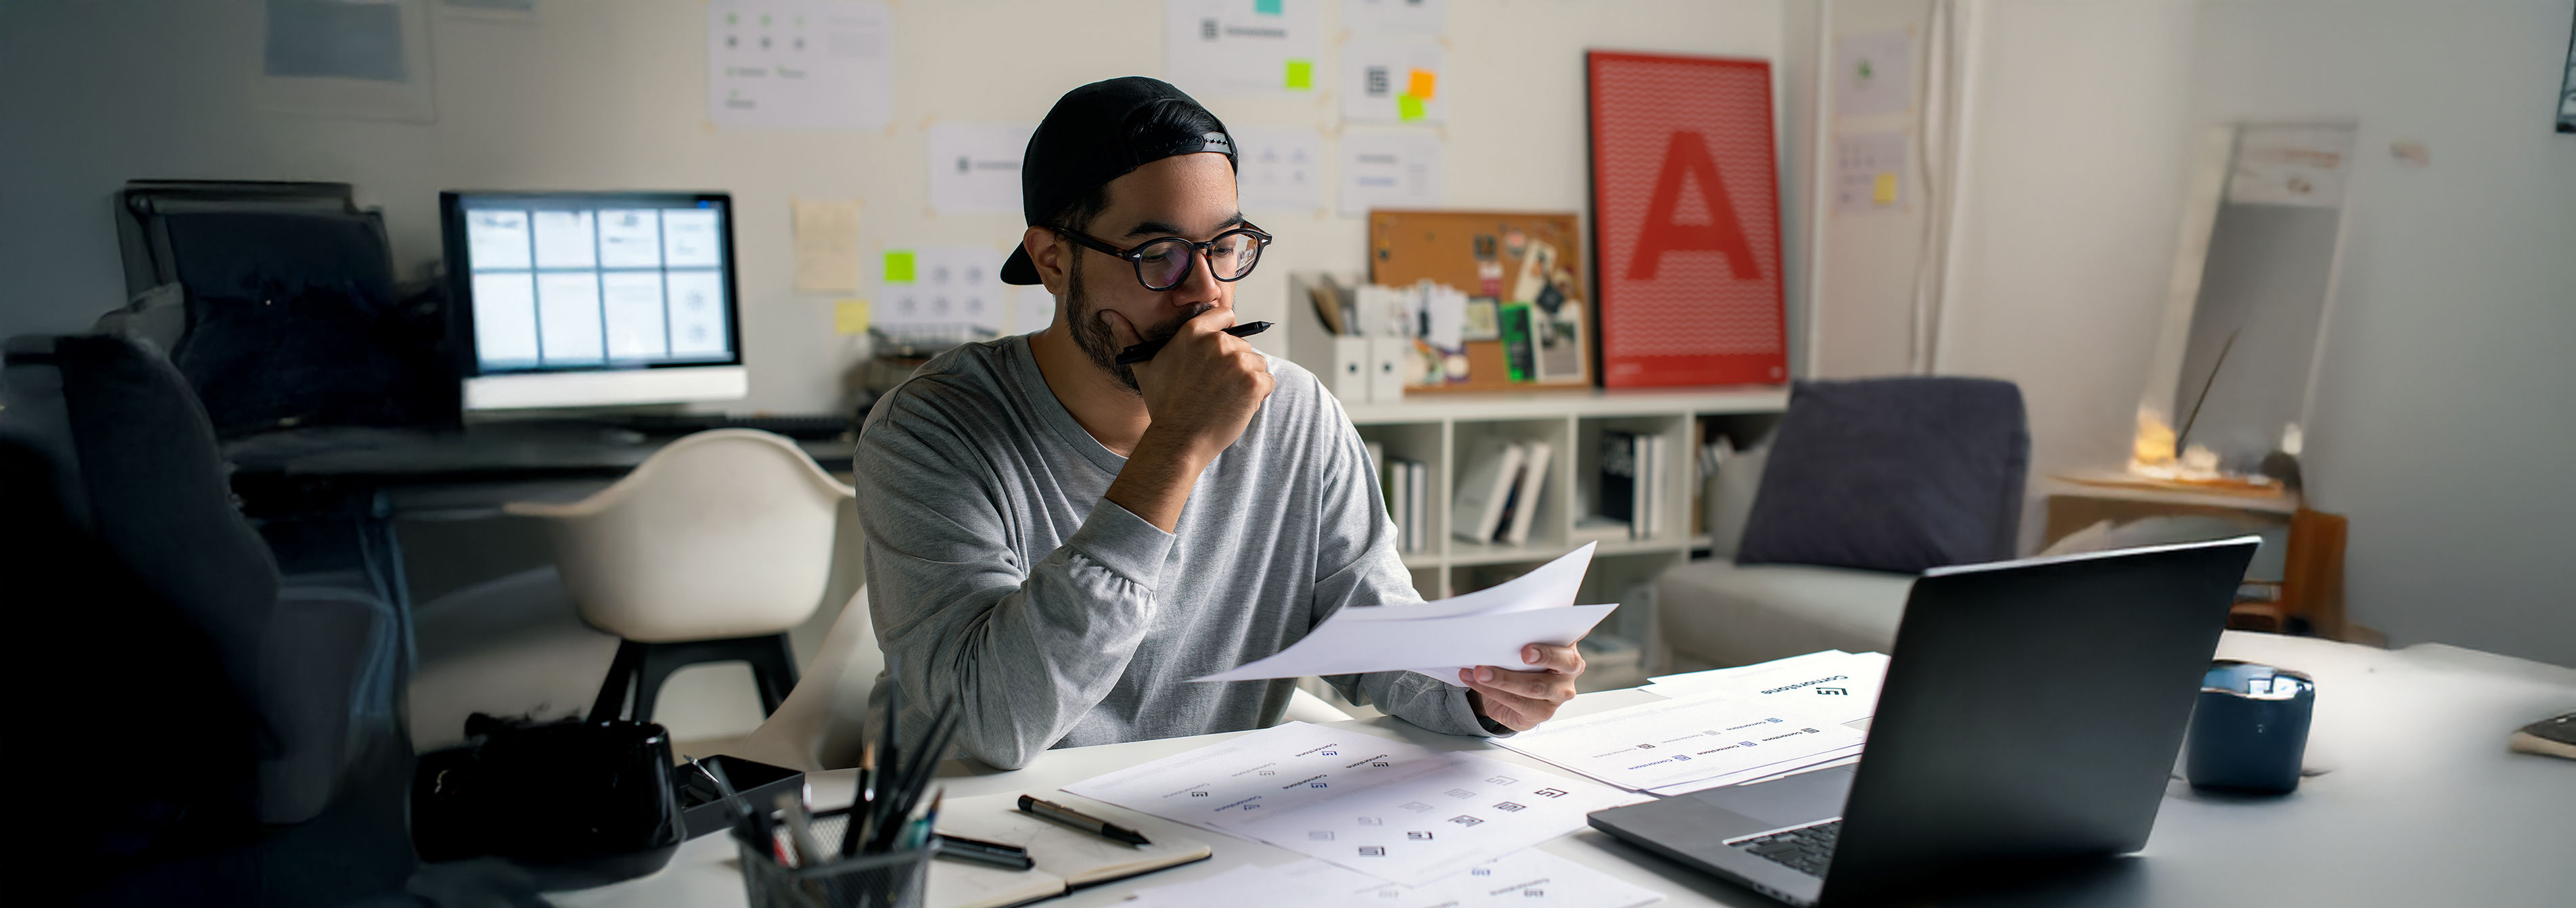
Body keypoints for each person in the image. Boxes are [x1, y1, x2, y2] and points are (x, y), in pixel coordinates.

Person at [854, 76, 1584, 769]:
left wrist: (1483, 689)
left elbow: (1372, 636)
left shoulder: (1295, 415)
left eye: (1225, 247)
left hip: (1206, 825)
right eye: (1157, 255)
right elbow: (994, 724)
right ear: (1051, 260)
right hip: (983, 832)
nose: (1206, 293)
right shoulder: (927, 431)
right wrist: (1176, 445)